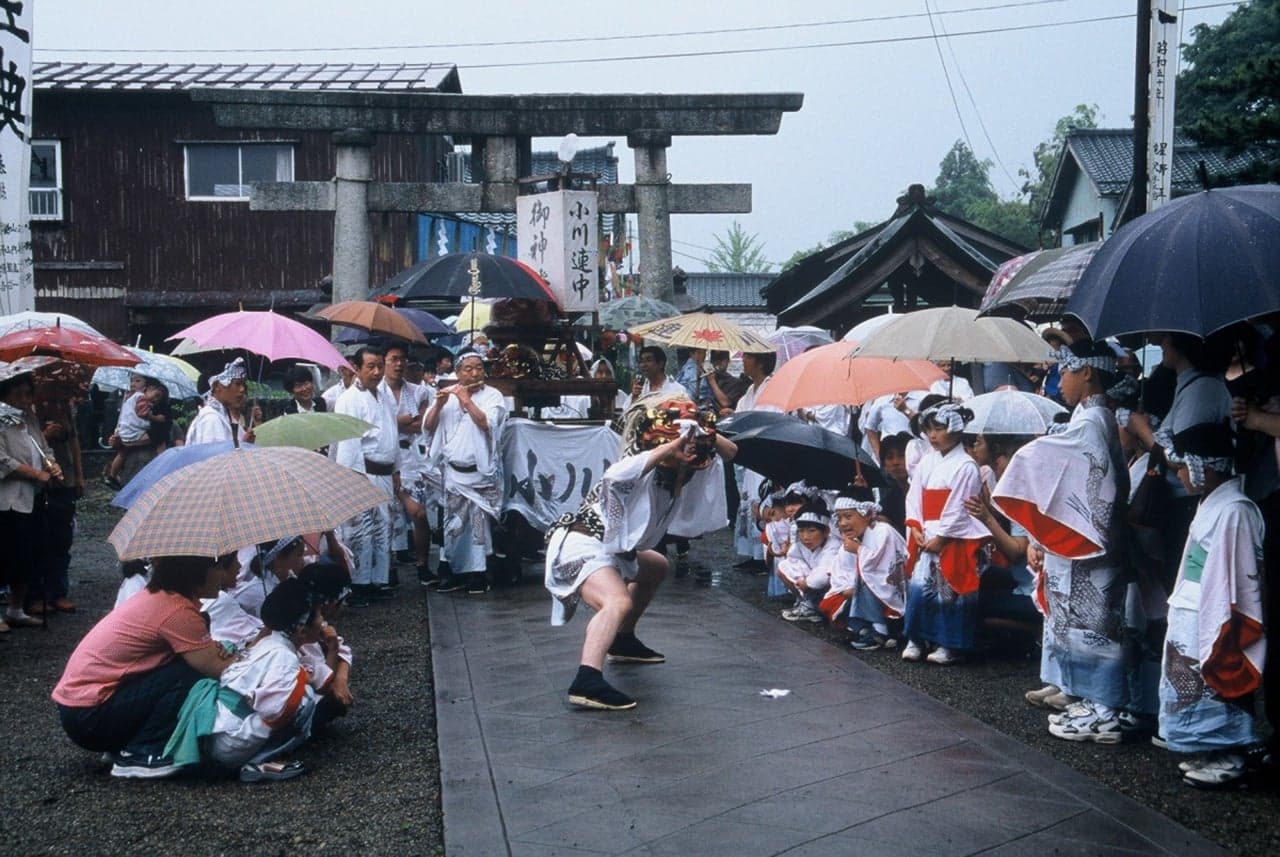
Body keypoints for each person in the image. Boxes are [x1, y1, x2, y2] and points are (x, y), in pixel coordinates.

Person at [544, 396, 735, 710]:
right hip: (582, 544)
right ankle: (587, 679)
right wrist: (670, 447)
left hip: (615, 551)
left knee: (656, 565)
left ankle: (623, 639)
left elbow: (732, 452)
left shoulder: (679, 473)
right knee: (617, 601)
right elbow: (615, 476)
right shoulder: (639, 467)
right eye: (681, 449)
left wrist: (704, 430)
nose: (688, 458)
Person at [994, 340, 1135, 744]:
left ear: (1087, 372)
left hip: (1093, 538)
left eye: (1066, 372)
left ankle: (1104, 707)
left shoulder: (1092, 420)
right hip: (1089, 537)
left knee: (1095, 625)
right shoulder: (1090, 418)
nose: (1061, 380)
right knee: (1082, 622)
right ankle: (1090, 700)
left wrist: (1029, 452)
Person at [52, 553, 239, 778]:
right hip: (90, 716)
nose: (222, 574)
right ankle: (143, 752)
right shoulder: (176, 611)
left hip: (82, 710)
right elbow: (216, 668)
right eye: (218, 567)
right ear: (197, 571)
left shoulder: (159, 597)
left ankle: (128, 744)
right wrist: (253, 651)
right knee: (188, 672)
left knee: (184, 664)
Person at [1156, 421, 1266, 789]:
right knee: (1188, 675)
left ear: (1207, 466)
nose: (1180, 474)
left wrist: (1221, 616)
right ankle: (1208, 749)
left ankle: (1231, 754)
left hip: (1214, 605)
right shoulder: (1212, 503)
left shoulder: (1236, 510)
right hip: (1192, 601)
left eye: (1184, 466)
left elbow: (1238, 577)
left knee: (1215, 676)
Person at [901, 402, 986, 666]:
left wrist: (942, 536)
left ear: (956, 429)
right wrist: (915, 526)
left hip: (953, 536)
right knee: (920, 588)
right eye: (929, 429)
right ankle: (916, 638)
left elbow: (961, 506)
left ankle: (948, 644)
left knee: (949, 592)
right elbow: (914, 496)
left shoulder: (966, 465)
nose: (932, 435)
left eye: (939, 429)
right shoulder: (927, 460)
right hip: (926, 530)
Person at [424, 352, 507, 594]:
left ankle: (478, 575)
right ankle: (451, 571)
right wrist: (439, 405)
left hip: (479, 475)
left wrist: (466, 400)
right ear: (458, 373)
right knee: (454, 525)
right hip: (453, 473)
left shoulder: (493, 396)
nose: (474, 373)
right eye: (468, 369)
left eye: (478, 368)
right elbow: (428, 427)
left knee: (478, 528)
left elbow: (487, 423)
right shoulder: (449, 396)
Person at [333, 346, 398, 606]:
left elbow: (392, 434)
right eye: (370, 366)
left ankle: (377, 580)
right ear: (356, 368)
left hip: (384, 471)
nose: (376, 372)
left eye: (380, 366)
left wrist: (396, 470)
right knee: (361, 530)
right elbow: (348, 443)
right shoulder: (349, 399)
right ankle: (358, 584)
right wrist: (354, 476)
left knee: (383, 527)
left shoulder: (384, 395)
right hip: (363, 471)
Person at [0, 363, 64, 630]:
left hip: (31, 497)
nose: (26, 400)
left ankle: (16, 608)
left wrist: (52, 465)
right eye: (20, 394)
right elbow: (3, 460)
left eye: (28, 394)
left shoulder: (29, 419)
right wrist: (35, 474)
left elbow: (44, 448)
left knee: (27, 553)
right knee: (4, 553)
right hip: (6, 498)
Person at [830, 486, 908, 650]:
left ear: (867, 514)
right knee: (839, 602)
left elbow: (878, 567)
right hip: (874, 586)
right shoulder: (858, 536)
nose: (843, 523)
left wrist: (858, 550)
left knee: (868, 577)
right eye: (839, 517)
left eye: (848, 516)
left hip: (895, 587)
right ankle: (868, 628)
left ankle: (880, 631)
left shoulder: (882, 530)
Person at [382, 343, 431, 575]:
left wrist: (393, 421)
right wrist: (403, 420)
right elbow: (376, 424)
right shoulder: (376, 392)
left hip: (411, 457)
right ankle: (387, 569)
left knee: (419, 513)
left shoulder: (418, 391)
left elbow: (423, 424)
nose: (398, 364)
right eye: (393, 359)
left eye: (402, 359)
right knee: (386, 517)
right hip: (385, 457)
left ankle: (423, 565)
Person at [732, 351, 779, 573]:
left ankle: (765, 554)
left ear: (760, 362)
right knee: (749, 499)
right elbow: (741, 415)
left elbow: (773, 420)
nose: (744, 361)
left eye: (748, 357)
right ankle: (753, 553)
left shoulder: (772, 388)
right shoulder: (750, 391)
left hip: (767, 450)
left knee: (763, 499)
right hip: (750, 452)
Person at [775, 501, 839, 623]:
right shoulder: (800, 544)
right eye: (801, 531)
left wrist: (807, 582)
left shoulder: (833, 545)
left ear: (826, 531)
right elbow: (793, 559)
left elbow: (822, 576)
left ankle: (813, 606)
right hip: (811, 584)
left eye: (812, 531)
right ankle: (806, 602)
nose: (805, 537)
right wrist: (802, 578)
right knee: (783, 566)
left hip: (830, 588)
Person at [104, 377, 163, 487]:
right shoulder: (140, 396)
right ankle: (161, 462)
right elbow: (142, 413)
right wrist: (151, 411)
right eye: (132, 381)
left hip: (124, 431)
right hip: (134, 431)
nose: (133, 383)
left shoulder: (128, 398)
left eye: (137, 381)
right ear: (146, 389)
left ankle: (112, 475)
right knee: (159, 440)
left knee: (122, 454)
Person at [187, 358, 255, 446]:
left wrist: (245, 444)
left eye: (243, 384)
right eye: (237, 384)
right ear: (216, 386)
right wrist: (244, 445)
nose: (242, 389)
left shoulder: (222, 416)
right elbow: (216, 454)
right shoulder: (211, 419)